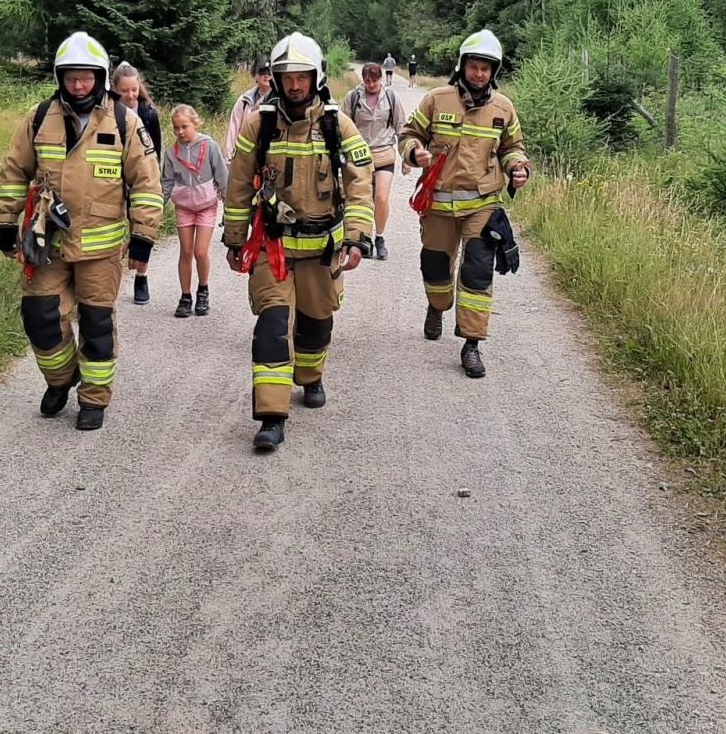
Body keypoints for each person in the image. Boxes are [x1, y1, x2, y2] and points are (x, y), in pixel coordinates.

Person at [0, 32, 164, 430]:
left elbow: (147, 184)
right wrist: (5, 222)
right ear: (60, 78)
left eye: (86, 77)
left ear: (100, 78)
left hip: (101, 251)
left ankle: (93, 399)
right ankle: (61, 379)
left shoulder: (124, 121)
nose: (79, 85)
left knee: (96, 325)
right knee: (39, 316)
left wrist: (143, 236)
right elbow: (13, 172)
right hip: (47, 244)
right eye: (71, 78)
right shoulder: (39, 118)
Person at [224, 32, 374, 453]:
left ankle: (310, 377)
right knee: (272, 326)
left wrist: (358, 237)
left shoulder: (334, 124)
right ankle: (272, 417)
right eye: (286, 77)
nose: (294, 85)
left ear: (316, 77)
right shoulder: (260, 124)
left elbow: (360, 182)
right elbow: (237, 185)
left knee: (316, 323)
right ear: (274, 78)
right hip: (274, 249)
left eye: (302, 77)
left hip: (322, 249)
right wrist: (235, 238)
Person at [399, 29, 531, 381]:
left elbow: (512, 148)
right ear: (462, 66)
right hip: (439, 205)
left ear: (494, 72)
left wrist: (518, 168)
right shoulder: (437, 100)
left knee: (477, 272)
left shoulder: (503, 109)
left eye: (486, 69)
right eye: (474, 67)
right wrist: (415, 152)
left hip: (482, 205)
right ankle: (436, 306)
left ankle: (471, 344)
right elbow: (409, 134)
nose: (479, 74)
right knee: (436, 268)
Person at [161, 104, 227, 318]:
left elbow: (223, 177)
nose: (180, 132)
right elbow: (167, 182)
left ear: (195, 124)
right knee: (186, 251)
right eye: (176, 128)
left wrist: (229, 208)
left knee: (200, 251)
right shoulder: (172, 153)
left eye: (184, 127)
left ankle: (203, 290)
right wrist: (157, 208)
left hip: (207, 205)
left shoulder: (210, 146)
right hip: (184, 207)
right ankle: (185, 296)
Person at [341, 61, 407, 260]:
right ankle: (363, 237)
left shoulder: (391, 97)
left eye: (375, 80)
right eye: (368, 81)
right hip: (359, 156)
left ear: (381, 79)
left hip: (384, 153)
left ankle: (380, 236)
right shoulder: (353, 97)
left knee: (381, 198)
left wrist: (406, 156)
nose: (371, 85)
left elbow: (401, 126)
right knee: (360, 199)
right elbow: (342, 126)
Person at [113, 62, 161, 306]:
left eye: (134, 89)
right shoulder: (108, 112)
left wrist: (157, 188)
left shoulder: (148, 113)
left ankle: (141, 276)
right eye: (125, 91)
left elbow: (156, 154)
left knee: (140, 227)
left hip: (139, 180)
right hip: (112, 180)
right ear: (115, 89)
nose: (131, 95)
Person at [225, 58, 273, 159]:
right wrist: (230, 158)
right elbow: (233, 129)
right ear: (256, 76)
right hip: (245, 156)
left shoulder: (281, 102)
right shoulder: (244, 101)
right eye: (262, 72)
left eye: (270, 72)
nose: (266, 76)